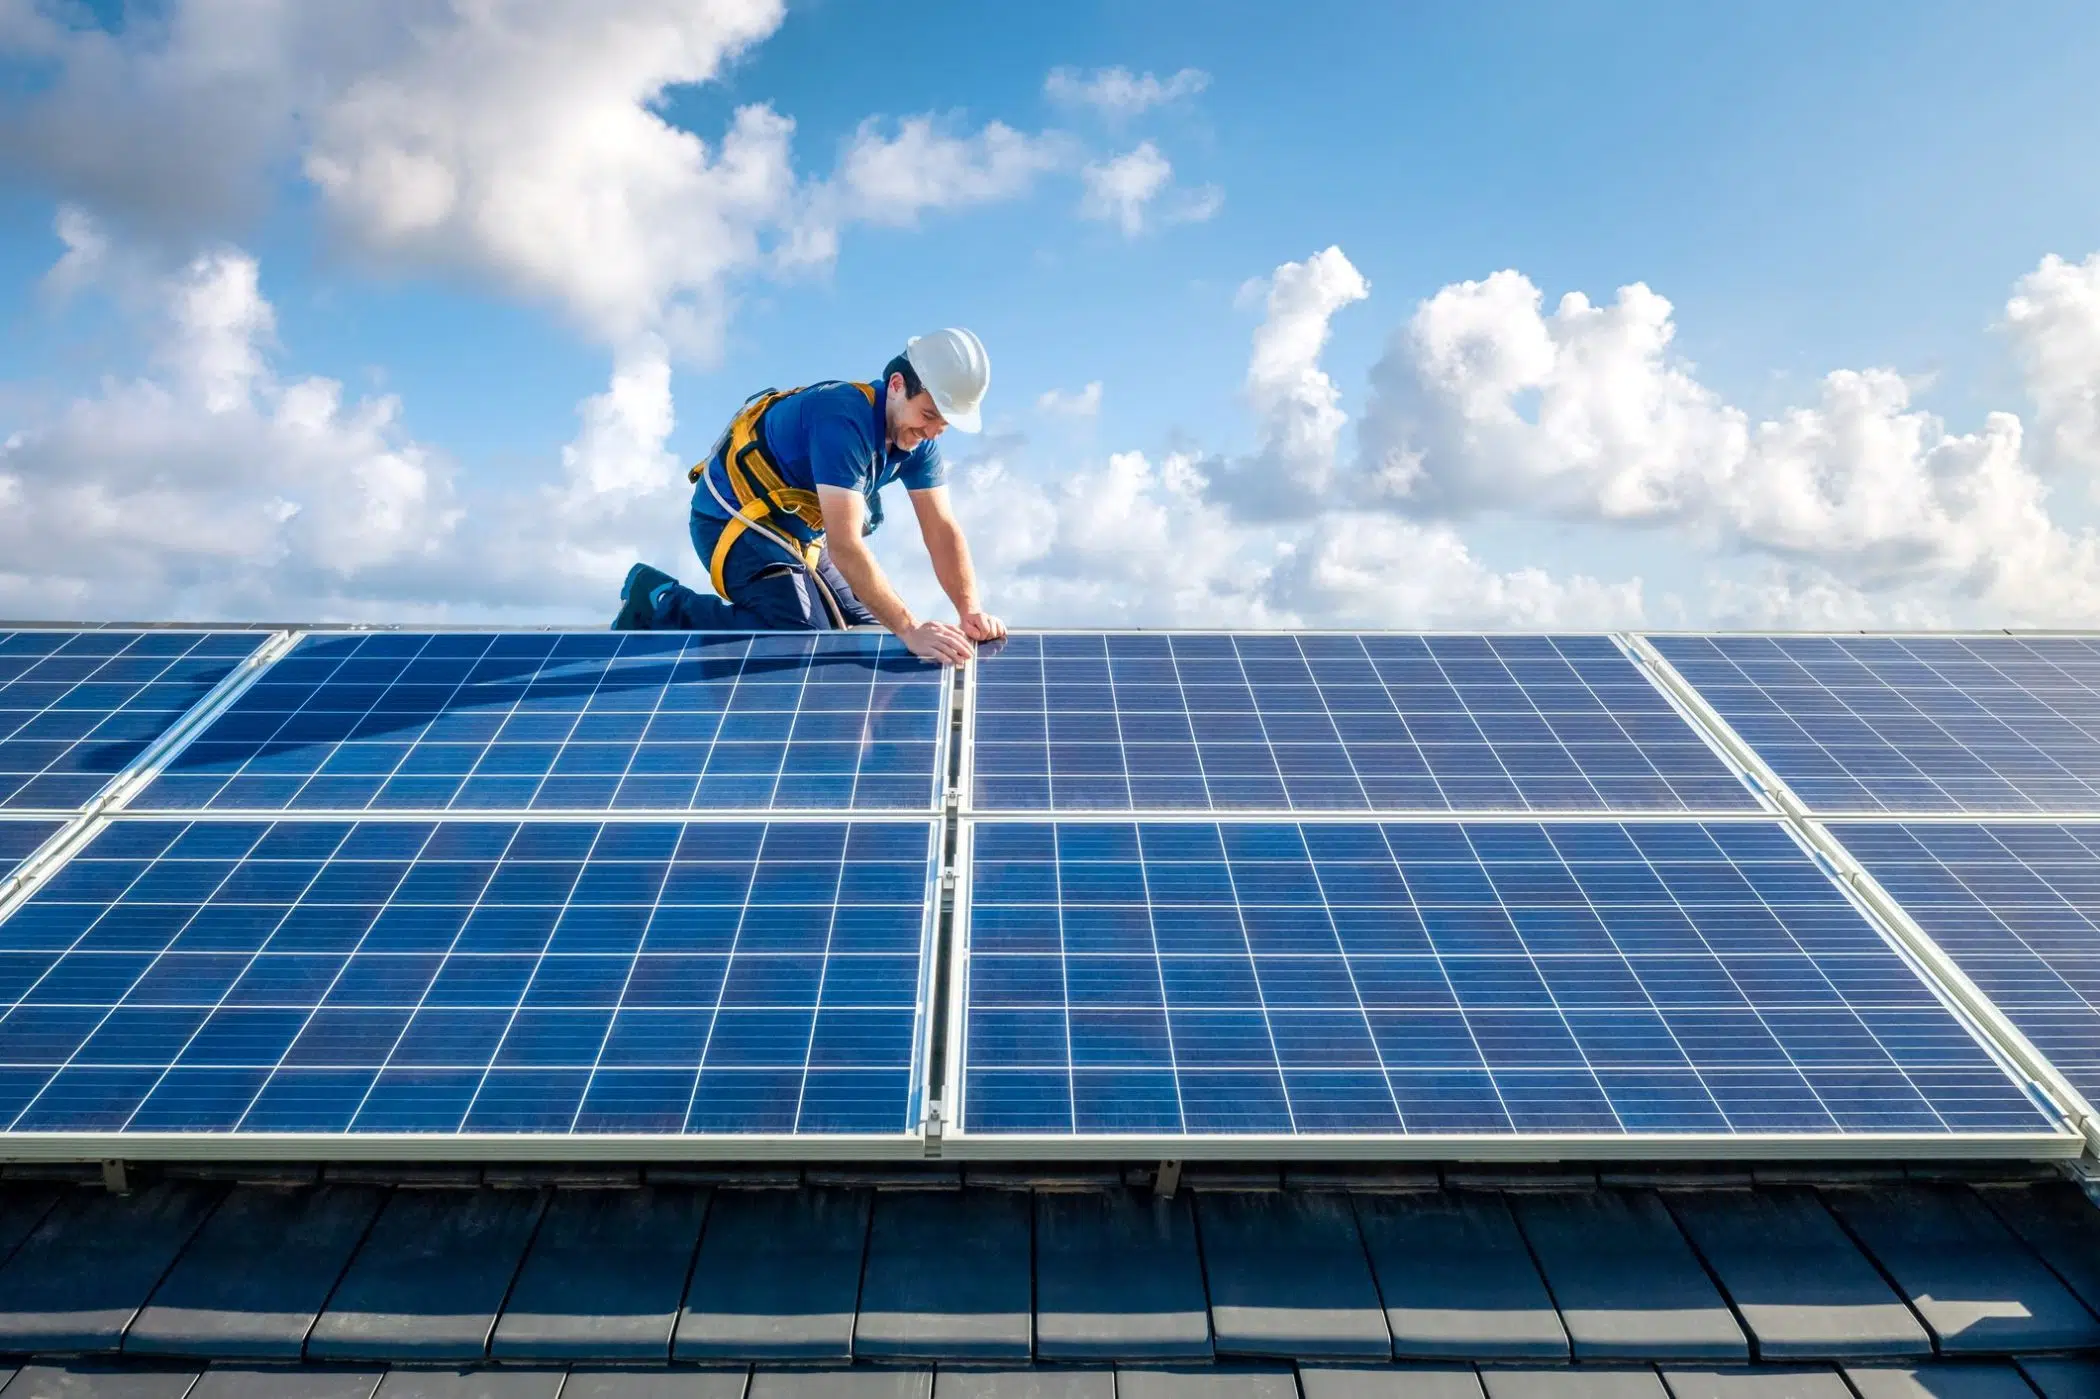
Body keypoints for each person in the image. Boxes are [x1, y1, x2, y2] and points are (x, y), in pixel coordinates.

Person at [613, 328, 1006, 666]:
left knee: (865, 631)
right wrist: (910, 626)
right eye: (929, 414)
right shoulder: (843, 420)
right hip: (731, 518)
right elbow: (847, 545)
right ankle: (660, 601)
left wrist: (969, 609)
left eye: (945, 423)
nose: (934, 430)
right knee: (801, 639)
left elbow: (941, 529)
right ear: (899, 385)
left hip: (798, 534)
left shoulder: (919, 441)